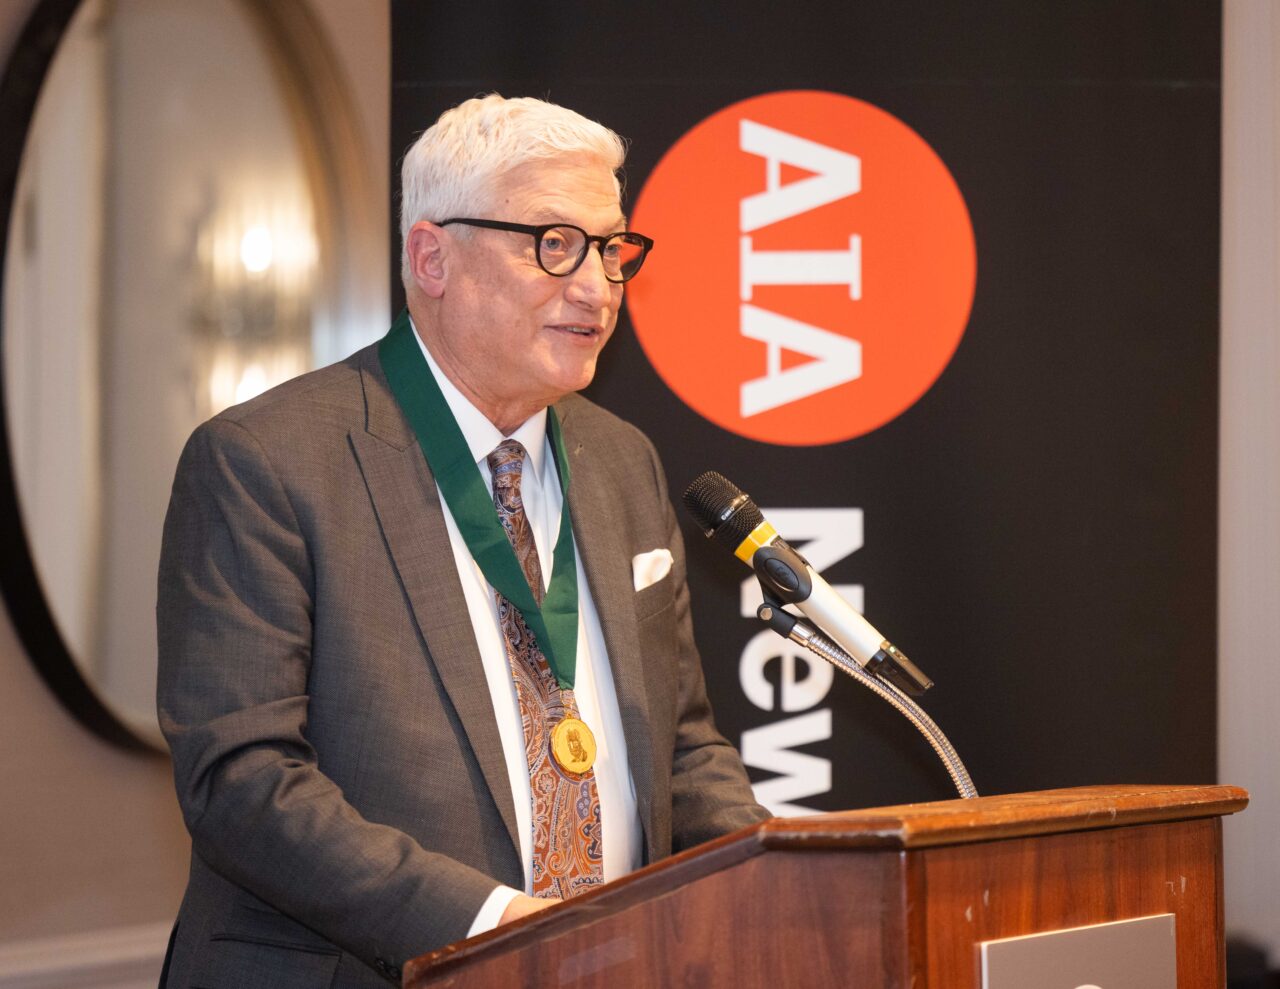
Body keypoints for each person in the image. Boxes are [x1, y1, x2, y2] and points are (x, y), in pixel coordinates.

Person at [155, 94, 768, 988]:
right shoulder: (266, 461)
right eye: (553, 243)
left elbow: (679, 743)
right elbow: (242, 781)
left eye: (611, 249)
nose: (596, 287)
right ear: (431, 257)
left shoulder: (620, 459)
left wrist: (781, 886)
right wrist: (495, 929)